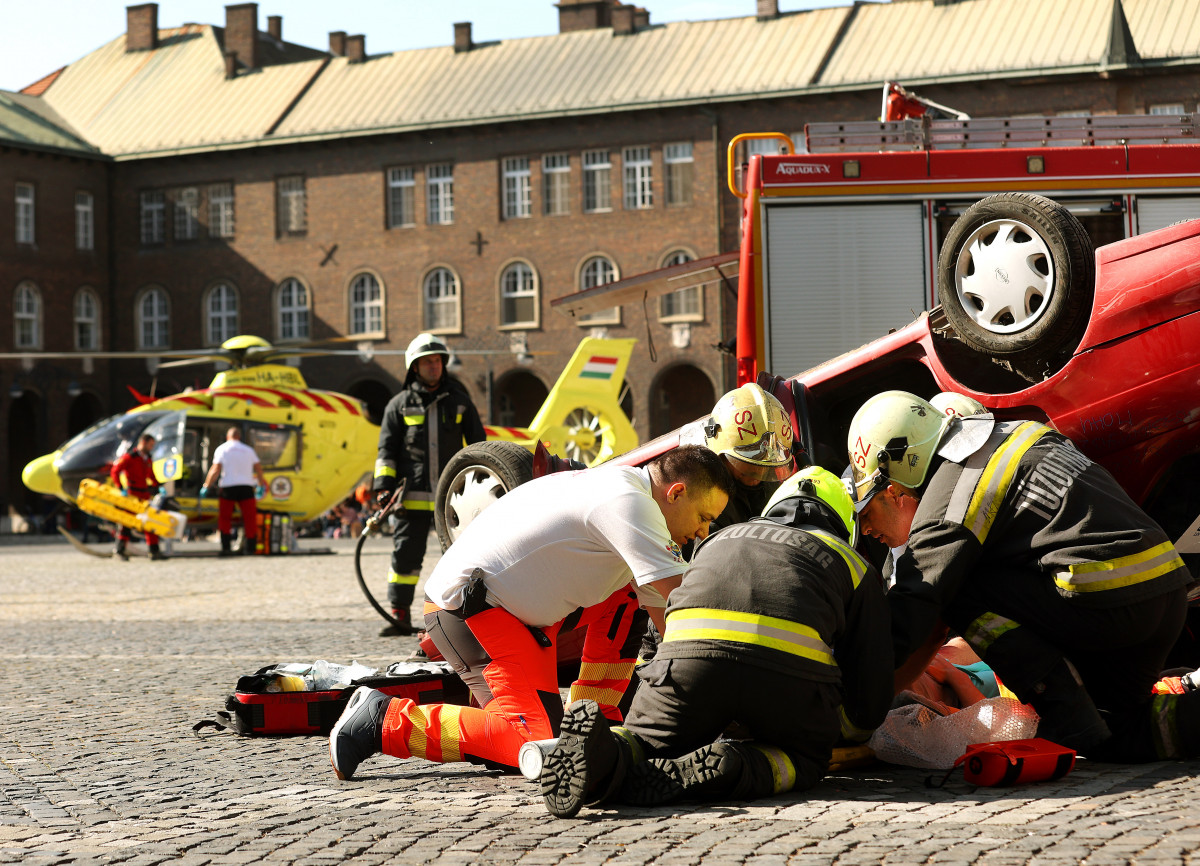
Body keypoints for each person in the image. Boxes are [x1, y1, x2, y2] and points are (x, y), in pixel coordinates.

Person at [328, 445, 734, 780]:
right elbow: (686, 609)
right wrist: (724, 697)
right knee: (537, 746)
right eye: (704, 517)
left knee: (634, 594)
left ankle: (595, 718)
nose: (703, 532)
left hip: (523, 616)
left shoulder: (623, 486)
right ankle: (382, 720)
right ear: (676, 492)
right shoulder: (629, 503)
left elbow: (666, 615)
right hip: (471, 613)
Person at [847, 389, 1198, 761]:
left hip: (1107, 600)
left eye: (869, 508)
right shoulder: (1015, 435)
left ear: (895, 479)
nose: (866, 529)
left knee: (956, 586)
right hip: (1164, 591)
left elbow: (915, 611)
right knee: (1118, 733)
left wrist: (853, 700)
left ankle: (1063, 715)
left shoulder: (953, 492)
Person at [538, 466, 893, 817]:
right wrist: (839, 728)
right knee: (803, 760)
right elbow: (868, 694)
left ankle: (605, 753)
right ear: (844, 525)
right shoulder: (854, 564)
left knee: (643, 743)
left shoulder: (716, 540)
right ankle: (735, 766)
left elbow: (656, 635)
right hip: (785, 684)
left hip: (688, 666)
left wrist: (658, 697)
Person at [373, 333, 486, 636]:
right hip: (411, 499)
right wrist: (383, 487)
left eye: (437, 360)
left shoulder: (460, 402)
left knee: (462, 559)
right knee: (405, 559)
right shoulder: (398, 406)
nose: (434, 366)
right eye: (427, 362)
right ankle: (398, 614)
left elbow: (478, 447)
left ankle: (464, 618)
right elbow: (386, 451)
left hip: (453, 500)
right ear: (414, 367)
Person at [199, 427, 268, 556]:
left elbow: (215, 469)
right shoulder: (248, 450)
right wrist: (260, 484)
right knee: (249, 518)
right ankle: (251, 548)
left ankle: (226, 547)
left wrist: (206, 486)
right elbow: (258, 469)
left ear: (227, 437)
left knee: (225, 518)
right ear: (239, 437)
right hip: (246, 487)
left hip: (228, 487)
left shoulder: (222, 449)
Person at [110, 433, 165, 561]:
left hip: (144, 494)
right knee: (127, 522)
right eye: (151, 445)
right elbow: (115, 471)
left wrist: (158, 486)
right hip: (132, 495)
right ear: (143, 443)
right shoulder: (130, 457)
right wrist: (120, 487)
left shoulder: (147, 459)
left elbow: (151, 475)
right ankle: (119, 550)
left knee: (150, 522)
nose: (152, 447)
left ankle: (154, 551)